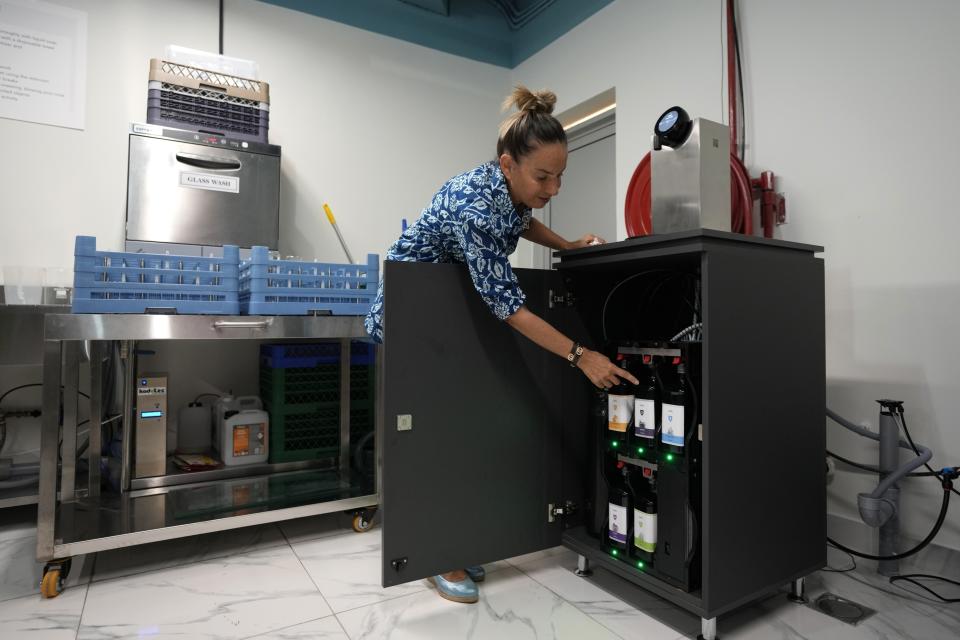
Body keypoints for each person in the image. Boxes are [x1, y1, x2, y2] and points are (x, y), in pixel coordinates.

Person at [365, 85, 638, 604]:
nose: (553, 187)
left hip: (447, 317)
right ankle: (434, 552)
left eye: (561, 176)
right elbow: (510, 308)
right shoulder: (477, 209)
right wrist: (582, 357)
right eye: (543, 176)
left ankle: (455, 538)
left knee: (461, 429)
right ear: (508, 163)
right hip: (415, 317)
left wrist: (569, 243)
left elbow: (525, 220)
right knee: (432, 437)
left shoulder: (504, 191)